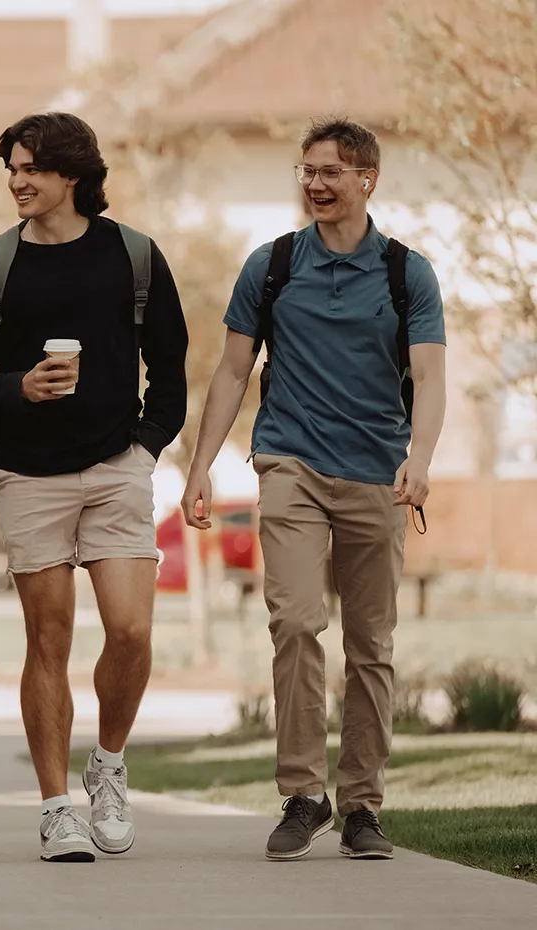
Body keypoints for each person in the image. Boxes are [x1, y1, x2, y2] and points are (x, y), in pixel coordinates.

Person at [181, 117, 446, 862]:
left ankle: (361, 805)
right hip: (289, 463)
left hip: (377, 474)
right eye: (307, 171)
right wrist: (201, 467)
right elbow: (233, 370)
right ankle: (303, 794)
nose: (316, 184)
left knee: (370, 645)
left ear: (368, 180)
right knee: (296, 622)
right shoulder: (270, 266)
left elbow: (429, 376)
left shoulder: (408, 274)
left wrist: (420, 458)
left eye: (331, 172)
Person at [0, 112, 189, 863]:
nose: (17, 182)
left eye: (31, 169)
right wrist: (15, 388)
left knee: (131, 631)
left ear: (72, 175)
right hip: (27, 473)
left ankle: (108, 765)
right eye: (12, 170)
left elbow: (170, 368)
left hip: (117, 467)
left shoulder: (134, 257)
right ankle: (56, 810)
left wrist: (145, 448)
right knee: (47, 638)